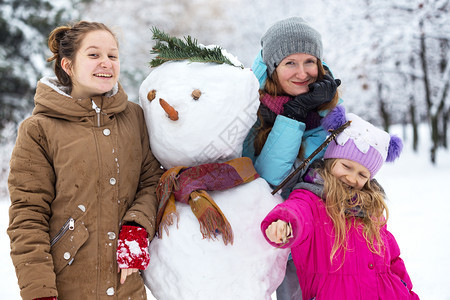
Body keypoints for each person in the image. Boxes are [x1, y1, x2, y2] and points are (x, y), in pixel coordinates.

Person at [7, 21, 163, 300]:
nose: (106, 62)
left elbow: (151, 181)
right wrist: (39, 292)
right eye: (94, 55)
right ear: (68, 66)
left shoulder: (134, 118)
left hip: (126, 289)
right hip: (67, 288)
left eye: (112, 55)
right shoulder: (39, 129)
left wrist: (137, 227)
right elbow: (28, 218)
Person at [261, 106, 419, 299]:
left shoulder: (371, 208)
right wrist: (283, 223)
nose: (352, 178)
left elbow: (393, 259)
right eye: (346, 166)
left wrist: (407, 292)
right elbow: (296, 211)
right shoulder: (311, 198)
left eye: (362, 174)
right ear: (330, 159)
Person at [242, 17, 341, 299]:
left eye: (309, 61)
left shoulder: (330, 107)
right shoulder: (251, 111)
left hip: (328, 242)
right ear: (273, 68)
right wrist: (294, 115)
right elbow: (267, 182)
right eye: (290, 63)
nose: (303, 73)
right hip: (281, 241)